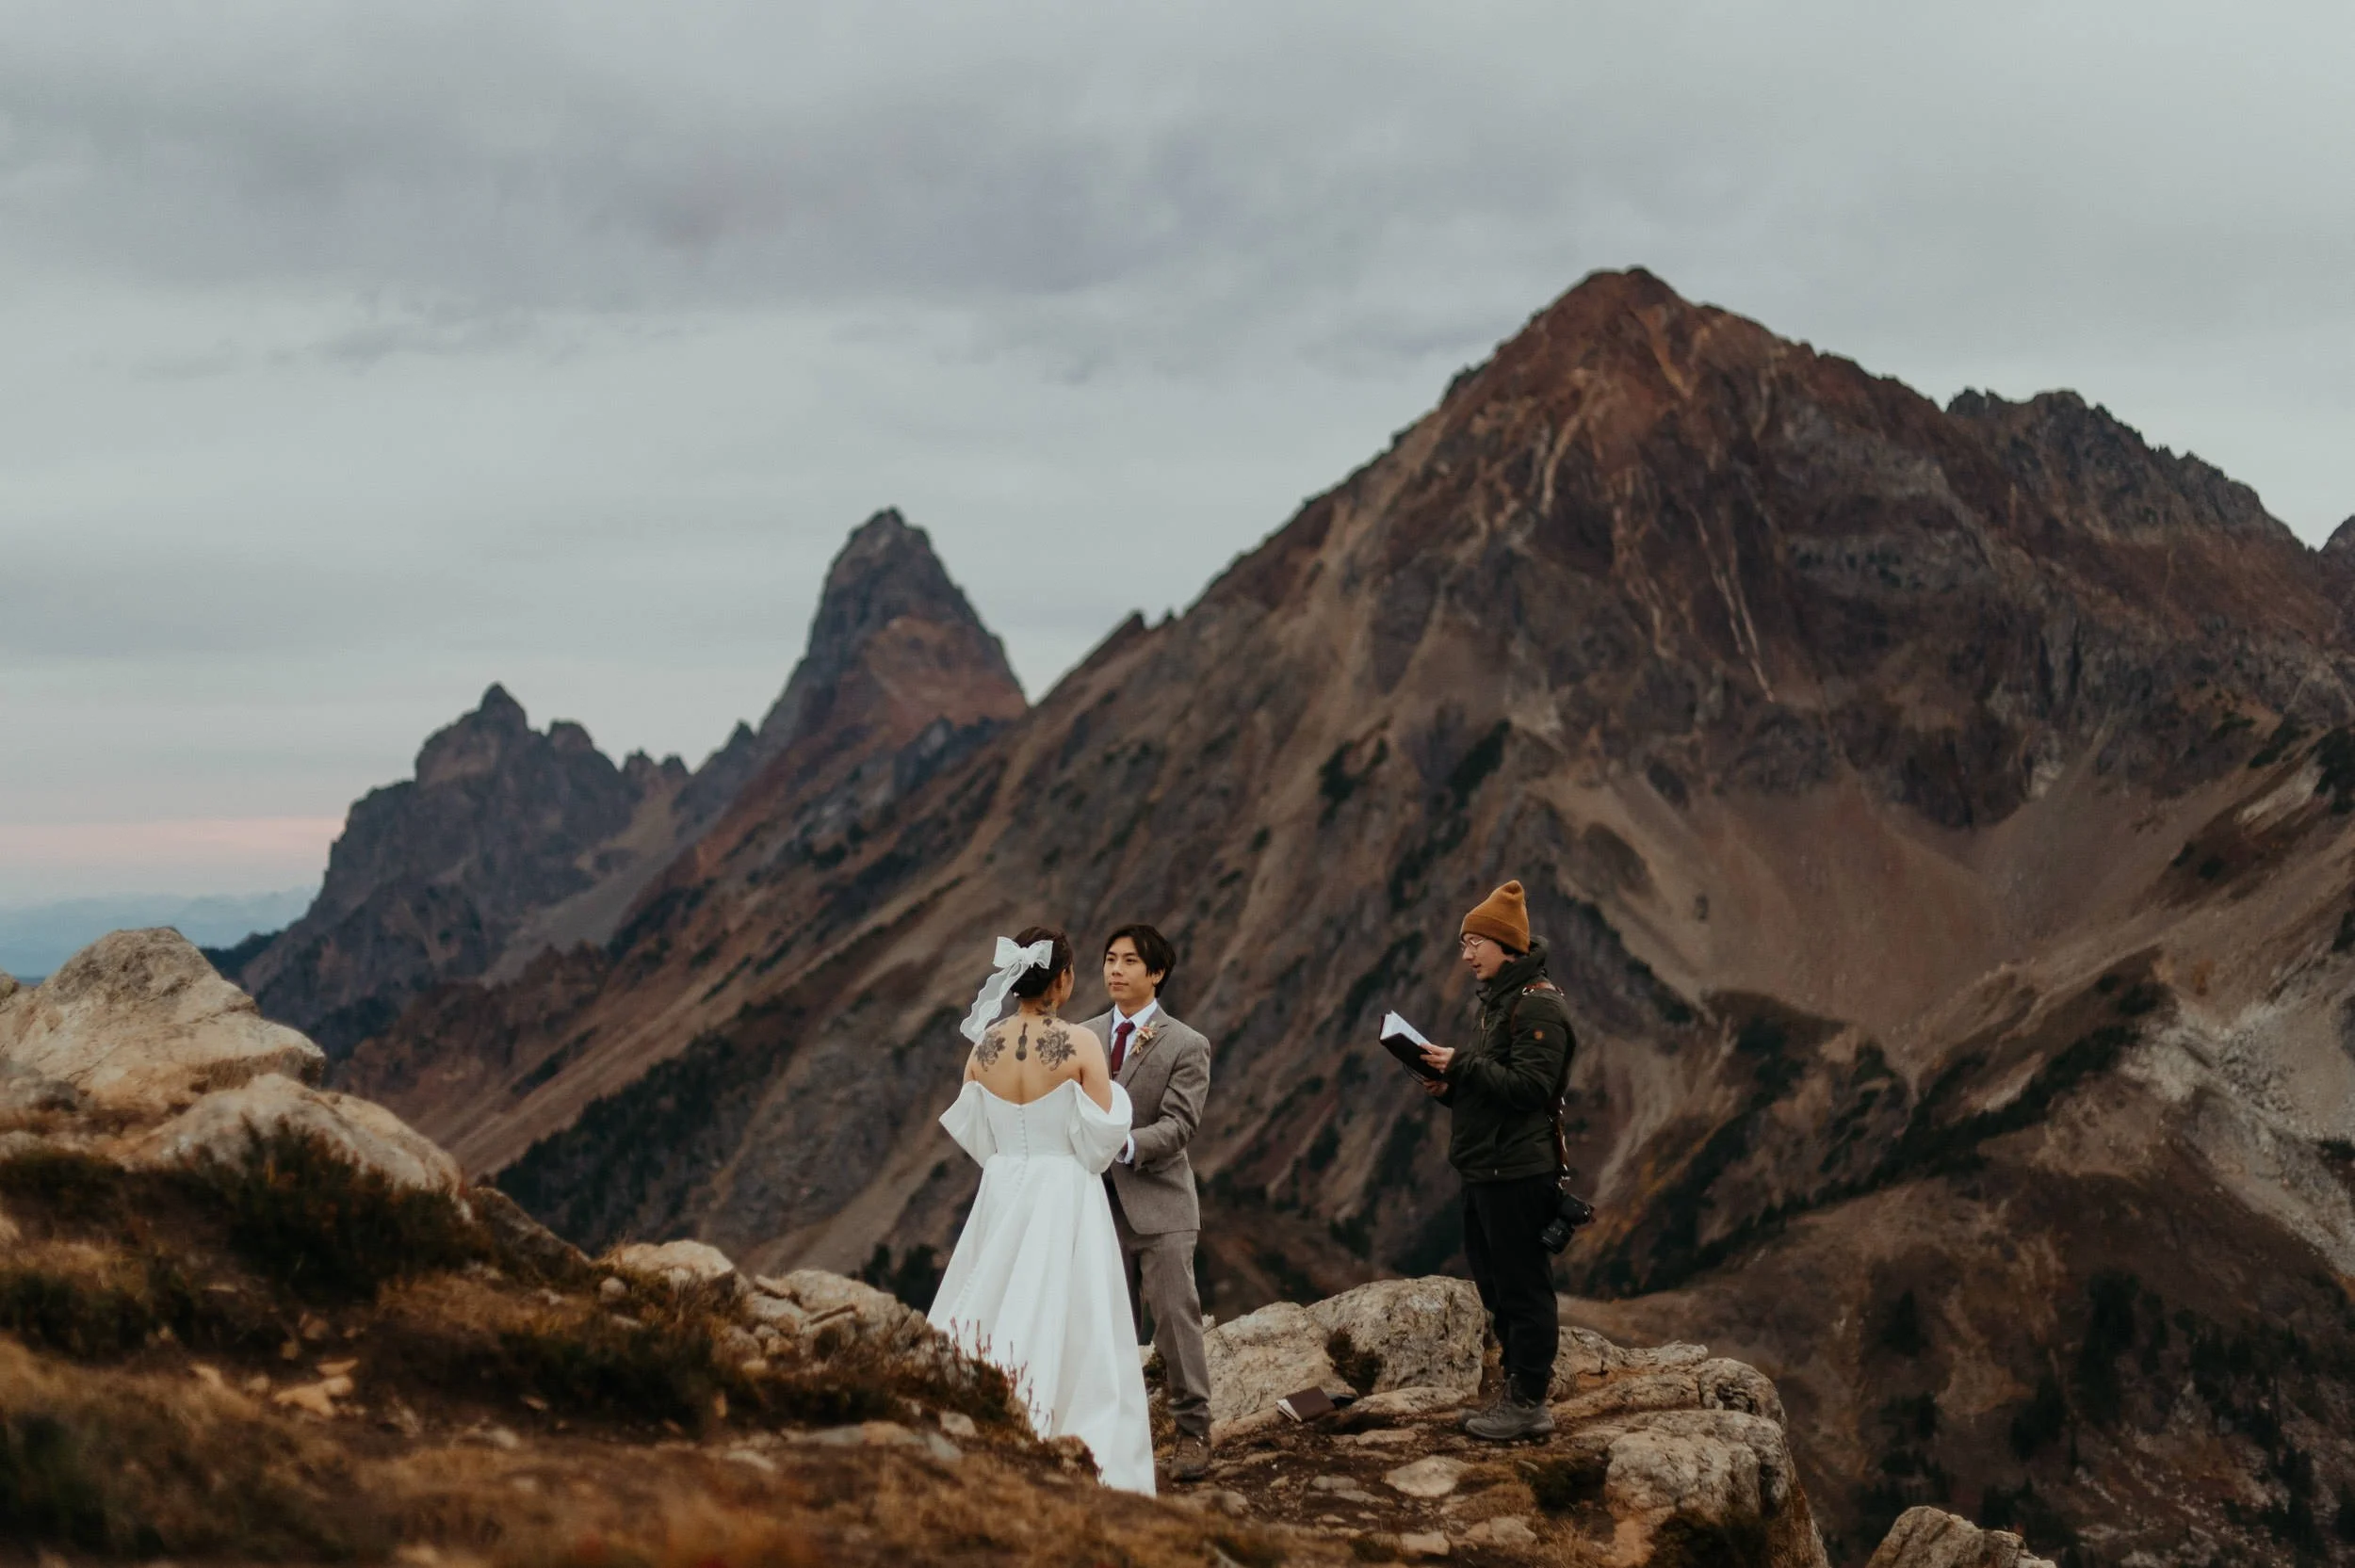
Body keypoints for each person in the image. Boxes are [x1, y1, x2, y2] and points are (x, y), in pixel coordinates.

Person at [928, 927, 1156, 1494]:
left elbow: (977, 1133)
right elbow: (1104, 1136)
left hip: (1003, 1188)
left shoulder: (983, 1048)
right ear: (1064, 980)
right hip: (1065, 1192)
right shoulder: (1081, 1044)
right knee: (1074, 1313)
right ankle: (1071, 1434)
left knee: (992, 1298)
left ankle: (982, 1414)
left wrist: (1012, 1162)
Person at [1416, 880, 1577, 1442]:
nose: (1465, 954)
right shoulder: (1502, 1004)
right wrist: (1451, 1087)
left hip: (1517, 1173)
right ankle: (1516, 1389)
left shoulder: (1539, 1007)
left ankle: (1530, 1400)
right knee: (1496, 1283)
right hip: (1486, 1169)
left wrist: (1462, 1066)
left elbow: (1532, 1088)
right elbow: (1498, 1085)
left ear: (1503, 943)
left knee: (1524, 1286)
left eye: (1472, 941)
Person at [1080, 924, 1214, 1482]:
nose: (1115, 970)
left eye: (1129, 961)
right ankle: (1104, 1433)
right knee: (1103, 1323)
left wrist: (1125, 1142)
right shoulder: (1080, 1034)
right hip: (1093, 1206)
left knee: (1173, 1320)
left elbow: (1181, 1124)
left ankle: (1194, 1432)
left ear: (1156, 973)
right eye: (1110, 959)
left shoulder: (1186, 1043)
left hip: (1160, 1206)